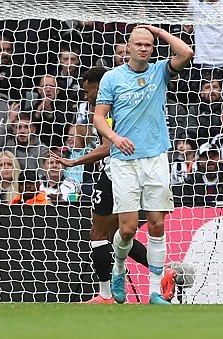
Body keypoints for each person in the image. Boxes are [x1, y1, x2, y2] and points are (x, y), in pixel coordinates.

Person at [52, 66, 181, 304]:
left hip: (116, 175)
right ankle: (163, 275)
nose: (86, 96)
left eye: (87, 90)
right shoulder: (123, 102)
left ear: (99, 86)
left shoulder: (109, 107)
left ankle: (106, 294)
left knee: (99, 233)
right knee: (120, 234)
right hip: (132, 174)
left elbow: (107, 147)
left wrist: (75, 161)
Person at [93, 25, 193, 304]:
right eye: (138, 44)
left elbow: (186, 51)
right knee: (126, 229)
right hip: (123, 161)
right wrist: (114, 137)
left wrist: (158, 32)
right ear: (128, 48)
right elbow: (99, 117)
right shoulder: (112, 78)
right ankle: (119, 267)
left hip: (155, 157)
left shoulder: (160, 71)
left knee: (157, 224)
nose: (143, 48)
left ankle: (153, 292)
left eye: (148, 45)